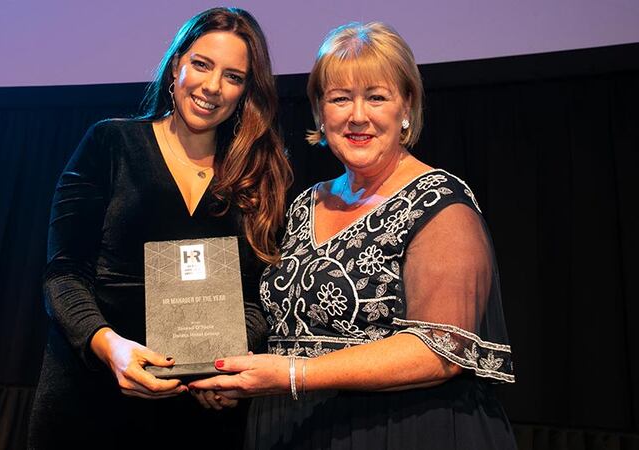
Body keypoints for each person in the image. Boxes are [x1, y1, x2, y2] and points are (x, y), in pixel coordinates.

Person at [190, 22, 517, 449]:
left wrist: (290, 375)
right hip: (292, 430)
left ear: (407, 107)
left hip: (401, 432)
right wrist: (233, 374)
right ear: (319, 112)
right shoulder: (304, 203)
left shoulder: (440, 203)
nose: (357, 116)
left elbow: (439, 352)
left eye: (376, 97)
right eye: (340, 98)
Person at [27, 7, 291, 449]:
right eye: (201, 65)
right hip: (89, 400)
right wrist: (110, 348)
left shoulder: (259, 176)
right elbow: (64, 275)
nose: (211, 87)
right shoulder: (110, 143)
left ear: (247, 91)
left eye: (233, 76)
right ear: (176, 65)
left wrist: (222, 365)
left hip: (199, 413)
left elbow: (259, 298)